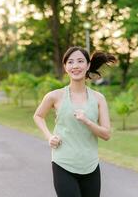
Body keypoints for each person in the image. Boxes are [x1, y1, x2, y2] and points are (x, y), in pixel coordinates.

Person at [33, 46, 116, 197]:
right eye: (70, 62)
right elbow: (38, 116)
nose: (75, 66)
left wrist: (87, 121)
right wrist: (49, 136)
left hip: (90, 165)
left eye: (80, 61)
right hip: (63, 163)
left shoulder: (98, 99)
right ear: (65, 67)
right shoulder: (54, 96)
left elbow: (106, 134)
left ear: (88, 65)